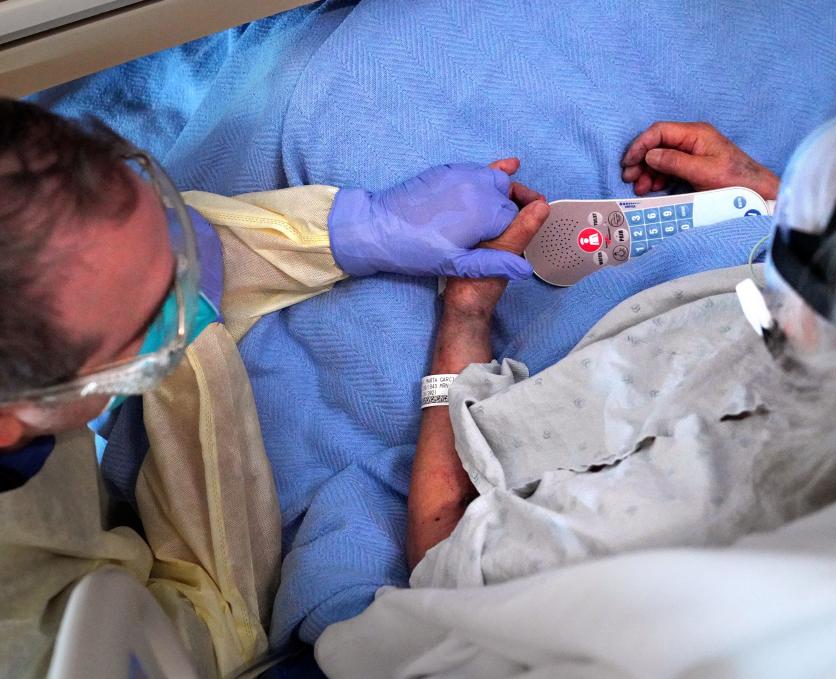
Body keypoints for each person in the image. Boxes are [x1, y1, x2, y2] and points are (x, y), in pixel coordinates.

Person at [0, 99, 547, 678]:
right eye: (153, 326)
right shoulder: (30, 634)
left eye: (167, 223)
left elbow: (100, 264)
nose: (193, 272)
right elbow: (215, 631)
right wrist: (200, 379)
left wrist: (352, 229)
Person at [404, 68, 836, 581]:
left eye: (805, 252)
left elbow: (442, 561)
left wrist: (466, 312)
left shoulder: (673, 509)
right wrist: (766, 195)